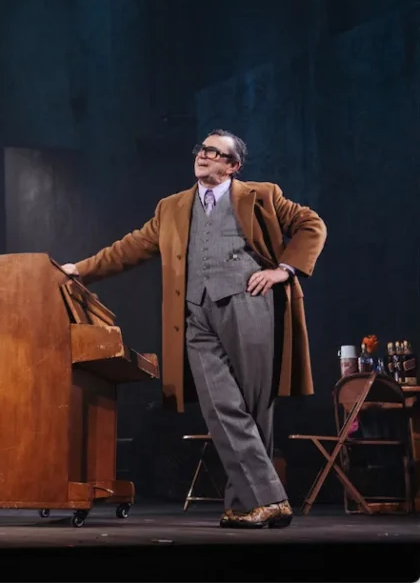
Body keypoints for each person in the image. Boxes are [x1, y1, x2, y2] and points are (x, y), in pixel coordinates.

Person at [61, 129, 326, 529]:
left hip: (249, 305)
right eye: (202, 149)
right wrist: (80, 269)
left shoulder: (262, 195)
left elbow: (311, 224)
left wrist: (282, 270)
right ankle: (271, 498)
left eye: (215, 152)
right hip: (195, 315)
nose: (204, 156)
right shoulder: (173, 207)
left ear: (233, 166)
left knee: (253, 408)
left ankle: (244, 504)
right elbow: (130, 246)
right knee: (219, 406)